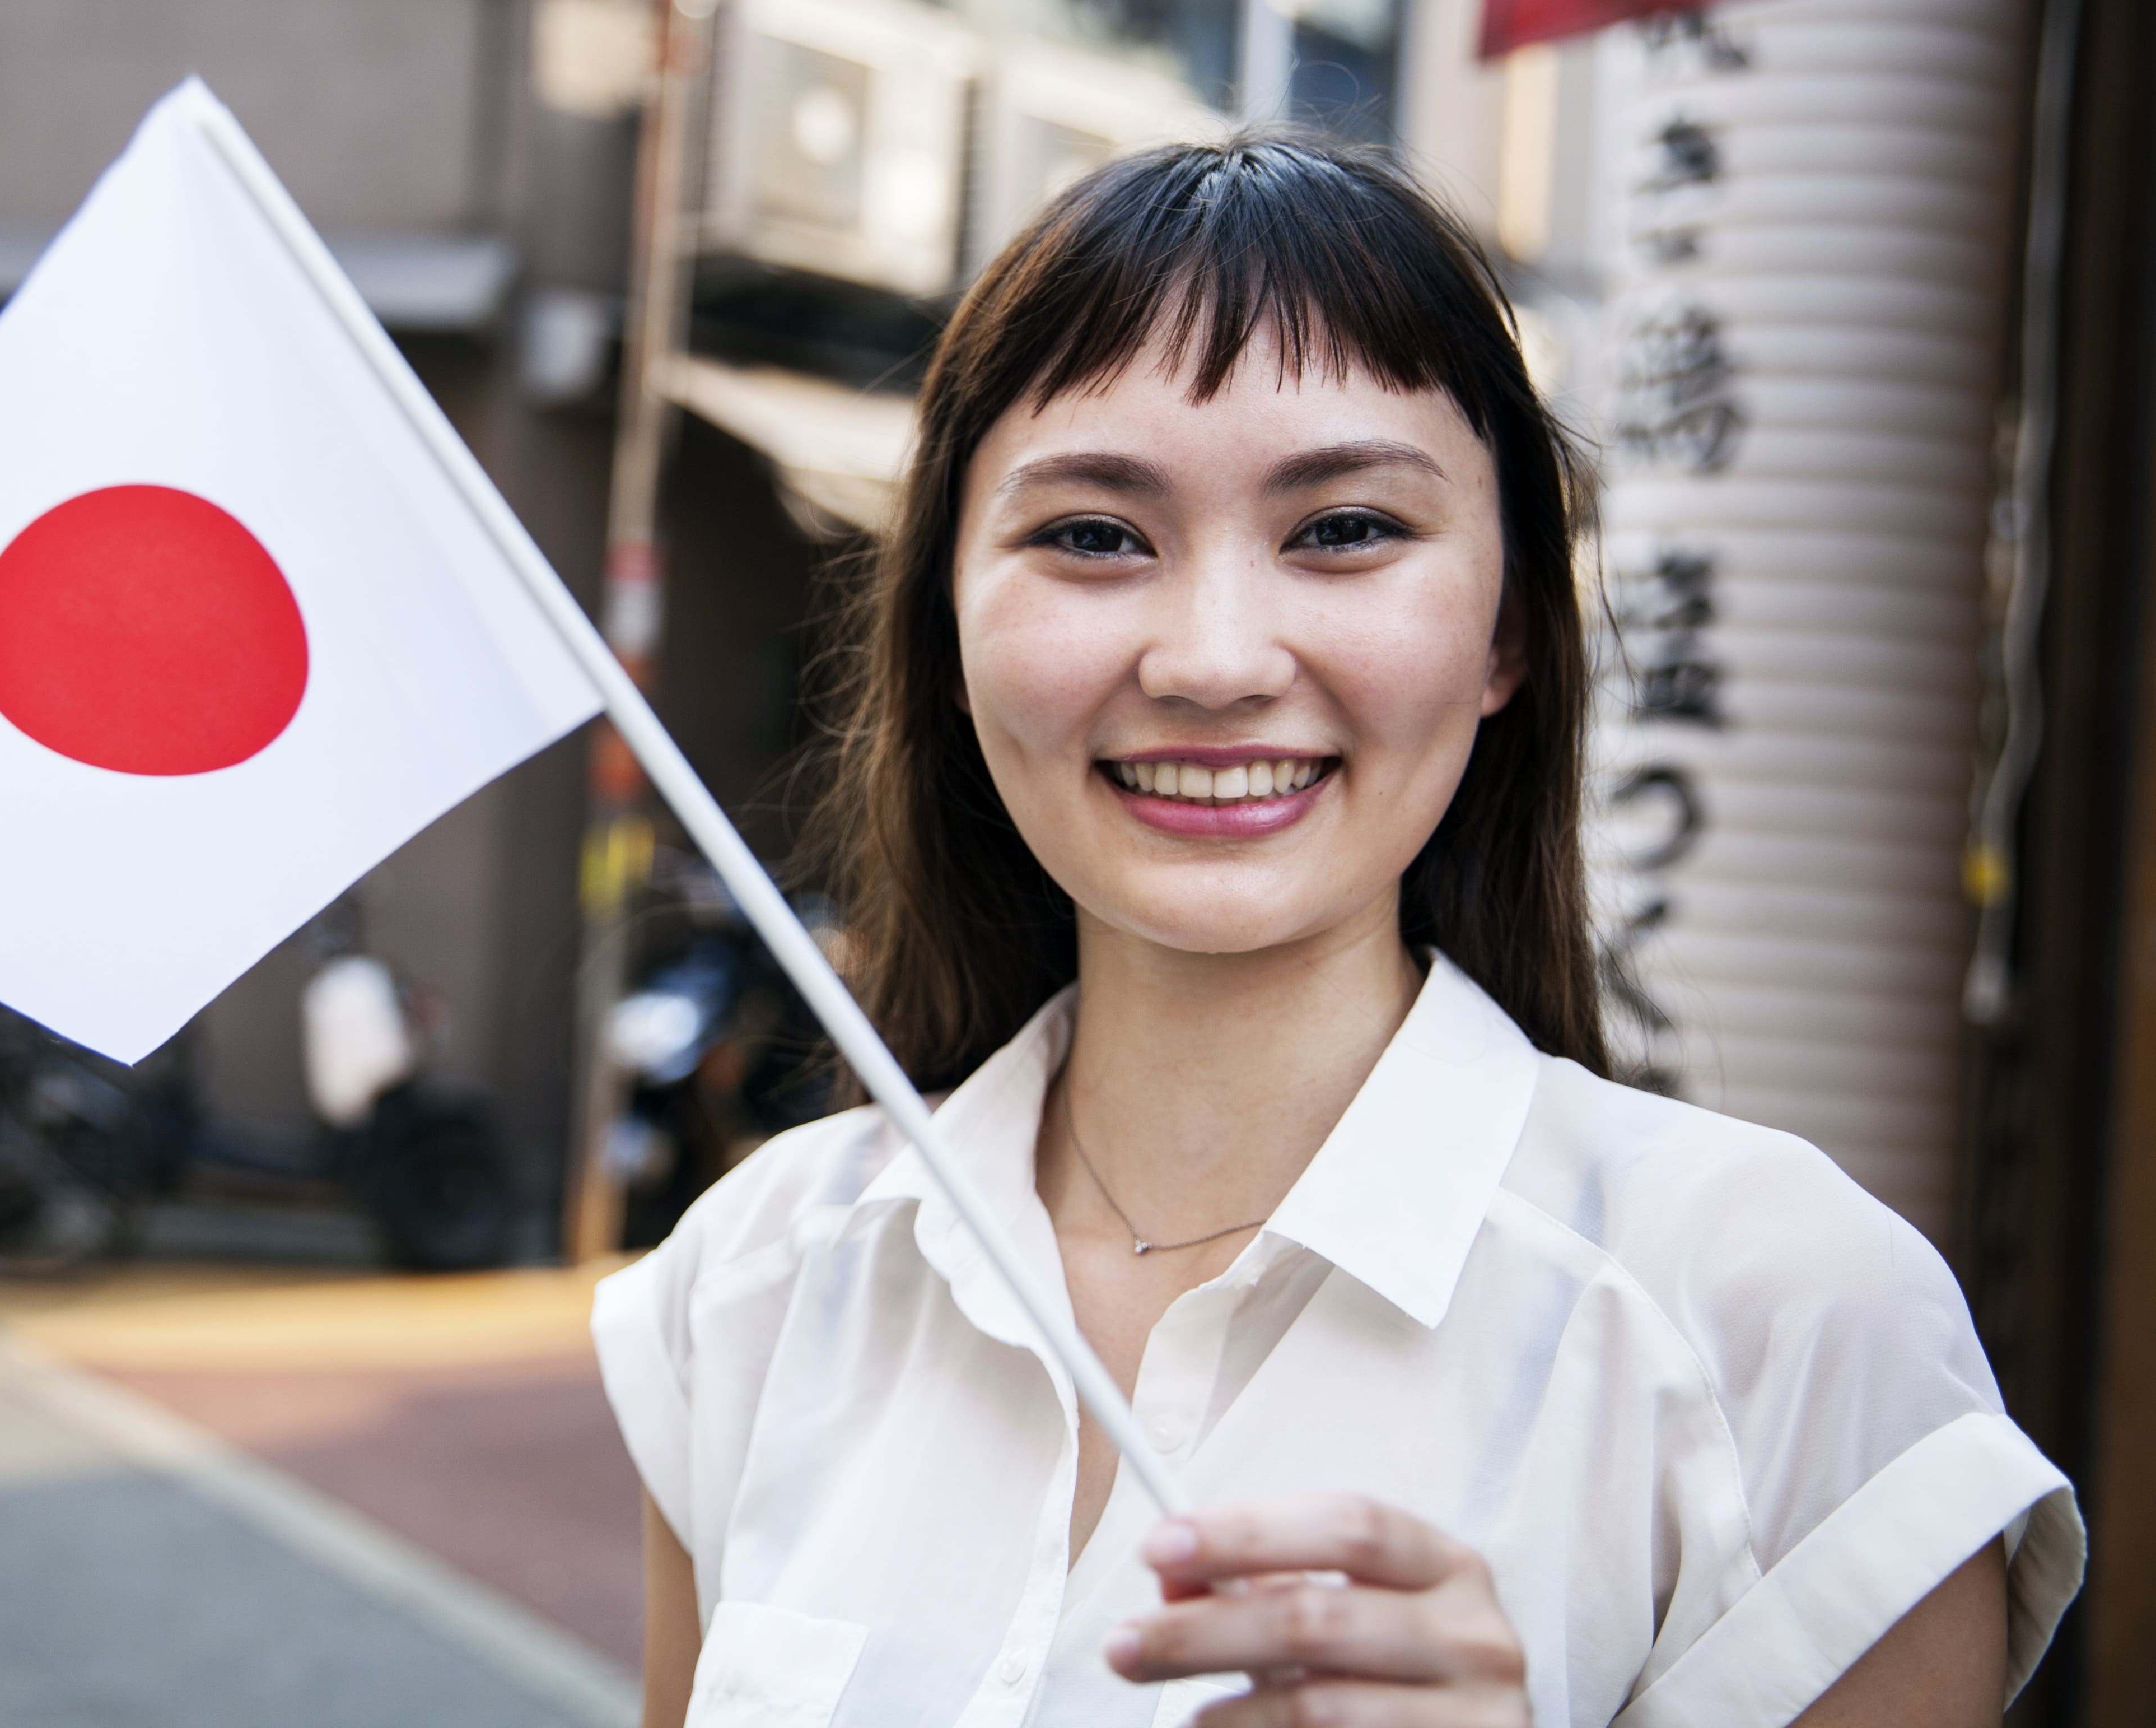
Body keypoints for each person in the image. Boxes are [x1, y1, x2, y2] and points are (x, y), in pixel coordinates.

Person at [590, 133, 2083, 1728]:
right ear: (950, 628)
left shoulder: (1781, 1322)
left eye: (1346, 528)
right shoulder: (755, 1282)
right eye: (1094, 534)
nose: (1215, 660)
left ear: (1509, 625)